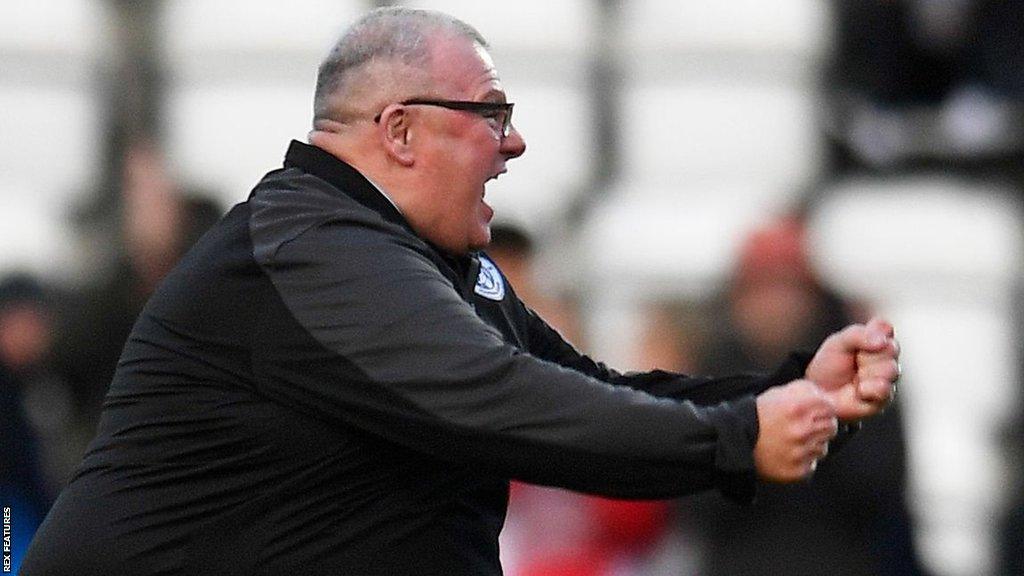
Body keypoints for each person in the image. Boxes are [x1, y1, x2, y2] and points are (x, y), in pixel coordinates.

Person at [20, 8, 900, 575]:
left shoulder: (425, 263)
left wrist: (784, 392)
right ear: (400, 130)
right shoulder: (313, 248)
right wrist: (739, 439)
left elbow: (589, 393)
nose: (514, 145)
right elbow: (504, 404)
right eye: (492, 115)